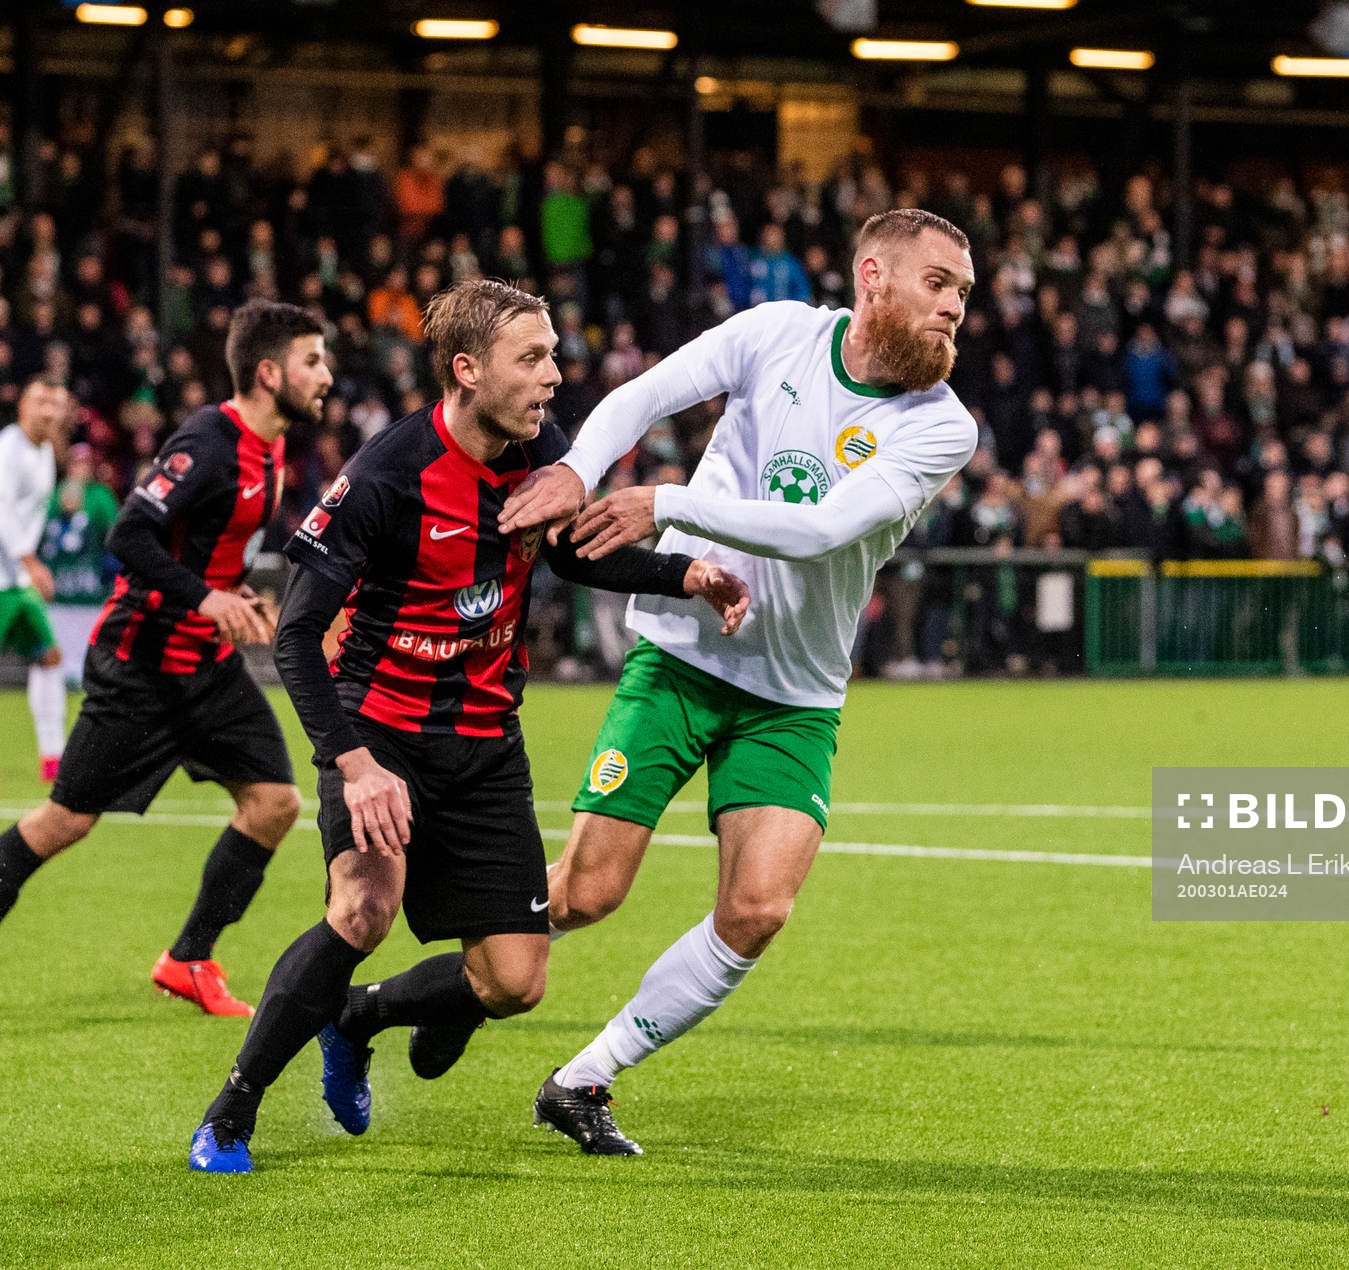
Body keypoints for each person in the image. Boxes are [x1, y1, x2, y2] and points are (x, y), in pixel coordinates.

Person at [187, 279, 747, 1175]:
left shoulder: (542, 453)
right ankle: (230, 1113)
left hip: (487, 746)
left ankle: (358, 1016)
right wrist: (355, 763)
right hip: (384, 734)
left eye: (553, 355)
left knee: (514, 982)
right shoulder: (386, 475)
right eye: (533, 358)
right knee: (362, 908)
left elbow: (568, 549)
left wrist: (682, 576)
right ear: (466, 370)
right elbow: (296, 638)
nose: (554, 376)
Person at [496, 208, 978, 1155]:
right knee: (587, 896)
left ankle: (584, 1077)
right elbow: (644, 395)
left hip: (795, 695)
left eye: (963, 295)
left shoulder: (942, 426)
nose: (955, 309)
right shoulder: (776, 335)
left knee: (757, 908)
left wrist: (663, 502)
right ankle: (421, 992)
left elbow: (823, 529)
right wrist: (578, 469)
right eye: (939, 285)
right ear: (873, 275)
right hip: (682, 654)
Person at [0, 304, 326, 1018]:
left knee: (273, 803)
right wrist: (207, 600)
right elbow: (129, 535)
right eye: (312, 362)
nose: (326, 377)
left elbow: (202, 551)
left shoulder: (272, 450)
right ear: (268, 373)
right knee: (63, 822)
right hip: (140, 667)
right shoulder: (210, 441)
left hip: (205, 671)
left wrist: (236, 599)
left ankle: (188, 958)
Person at [0, 375, 72, 780]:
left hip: (16, 582)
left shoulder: (44, 451)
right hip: (7, 576)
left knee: (49, 656)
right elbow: (2, 510)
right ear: (23, 404)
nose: (49, 411)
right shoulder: (8, 449)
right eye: (41, 402)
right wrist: (30, 562)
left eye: (56, 404)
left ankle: (53, 757)